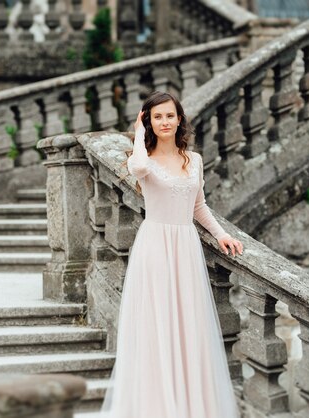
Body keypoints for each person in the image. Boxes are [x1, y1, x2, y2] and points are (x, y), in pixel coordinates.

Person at [99, 91, 243, 418]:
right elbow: (135, 167)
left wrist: (221, 234)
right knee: (157, 327)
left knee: (187, 326)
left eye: (169, 115)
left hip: (186, 247)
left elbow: (198, 206)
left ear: (179, 119)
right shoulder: (144, 159)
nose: (164, 122)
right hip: (155, 247)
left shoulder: (194, 160)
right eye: (157, 117)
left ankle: (189, 406)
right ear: (149, 121)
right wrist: (137, 133)